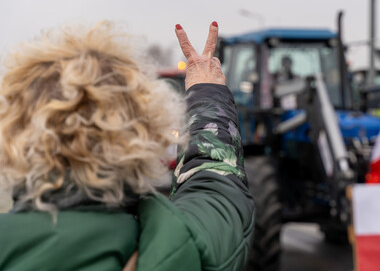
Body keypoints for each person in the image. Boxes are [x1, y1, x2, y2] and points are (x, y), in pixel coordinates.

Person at [0, 21, 254, 270]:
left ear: (12, 132)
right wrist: (206, 91)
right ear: (146, 127)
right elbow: (218, 186)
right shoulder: (182, 240)